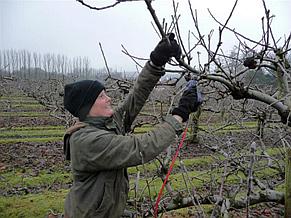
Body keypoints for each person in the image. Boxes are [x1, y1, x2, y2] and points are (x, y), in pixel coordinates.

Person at [63, 33, 202, 218]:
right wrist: (180, 114)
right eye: (102, 96)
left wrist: (156, 62)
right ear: (87, 107)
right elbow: (140, 148)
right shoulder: (87, 141)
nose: (109, 98)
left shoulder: (104, 124)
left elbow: (134, 99)